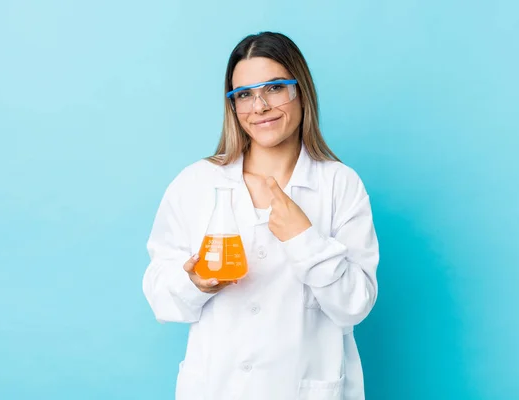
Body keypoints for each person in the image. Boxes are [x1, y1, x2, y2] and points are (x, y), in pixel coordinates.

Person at [142, 31, 380, 400]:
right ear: (233, 105)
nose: (260, 106)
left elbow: (355, 306)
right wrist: (194, 283)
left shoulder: (339, 184)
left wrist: (304, 239)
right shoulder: (196, 183)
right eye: (245, 95)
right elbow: (159, 294)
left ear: (300, 91)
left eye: (274, 88)